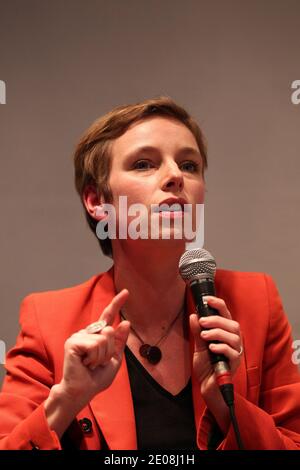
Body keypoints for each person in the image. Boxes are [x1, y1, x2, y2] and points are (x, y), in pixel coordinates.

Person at [0, 97, 300, 450]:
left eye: (189, 165)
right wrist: (65, 400)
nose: (175, 176)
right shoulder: (48, 319)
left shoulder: (256, 301)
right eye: (144, 164)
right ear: (97, 202)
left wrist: (225, 406)